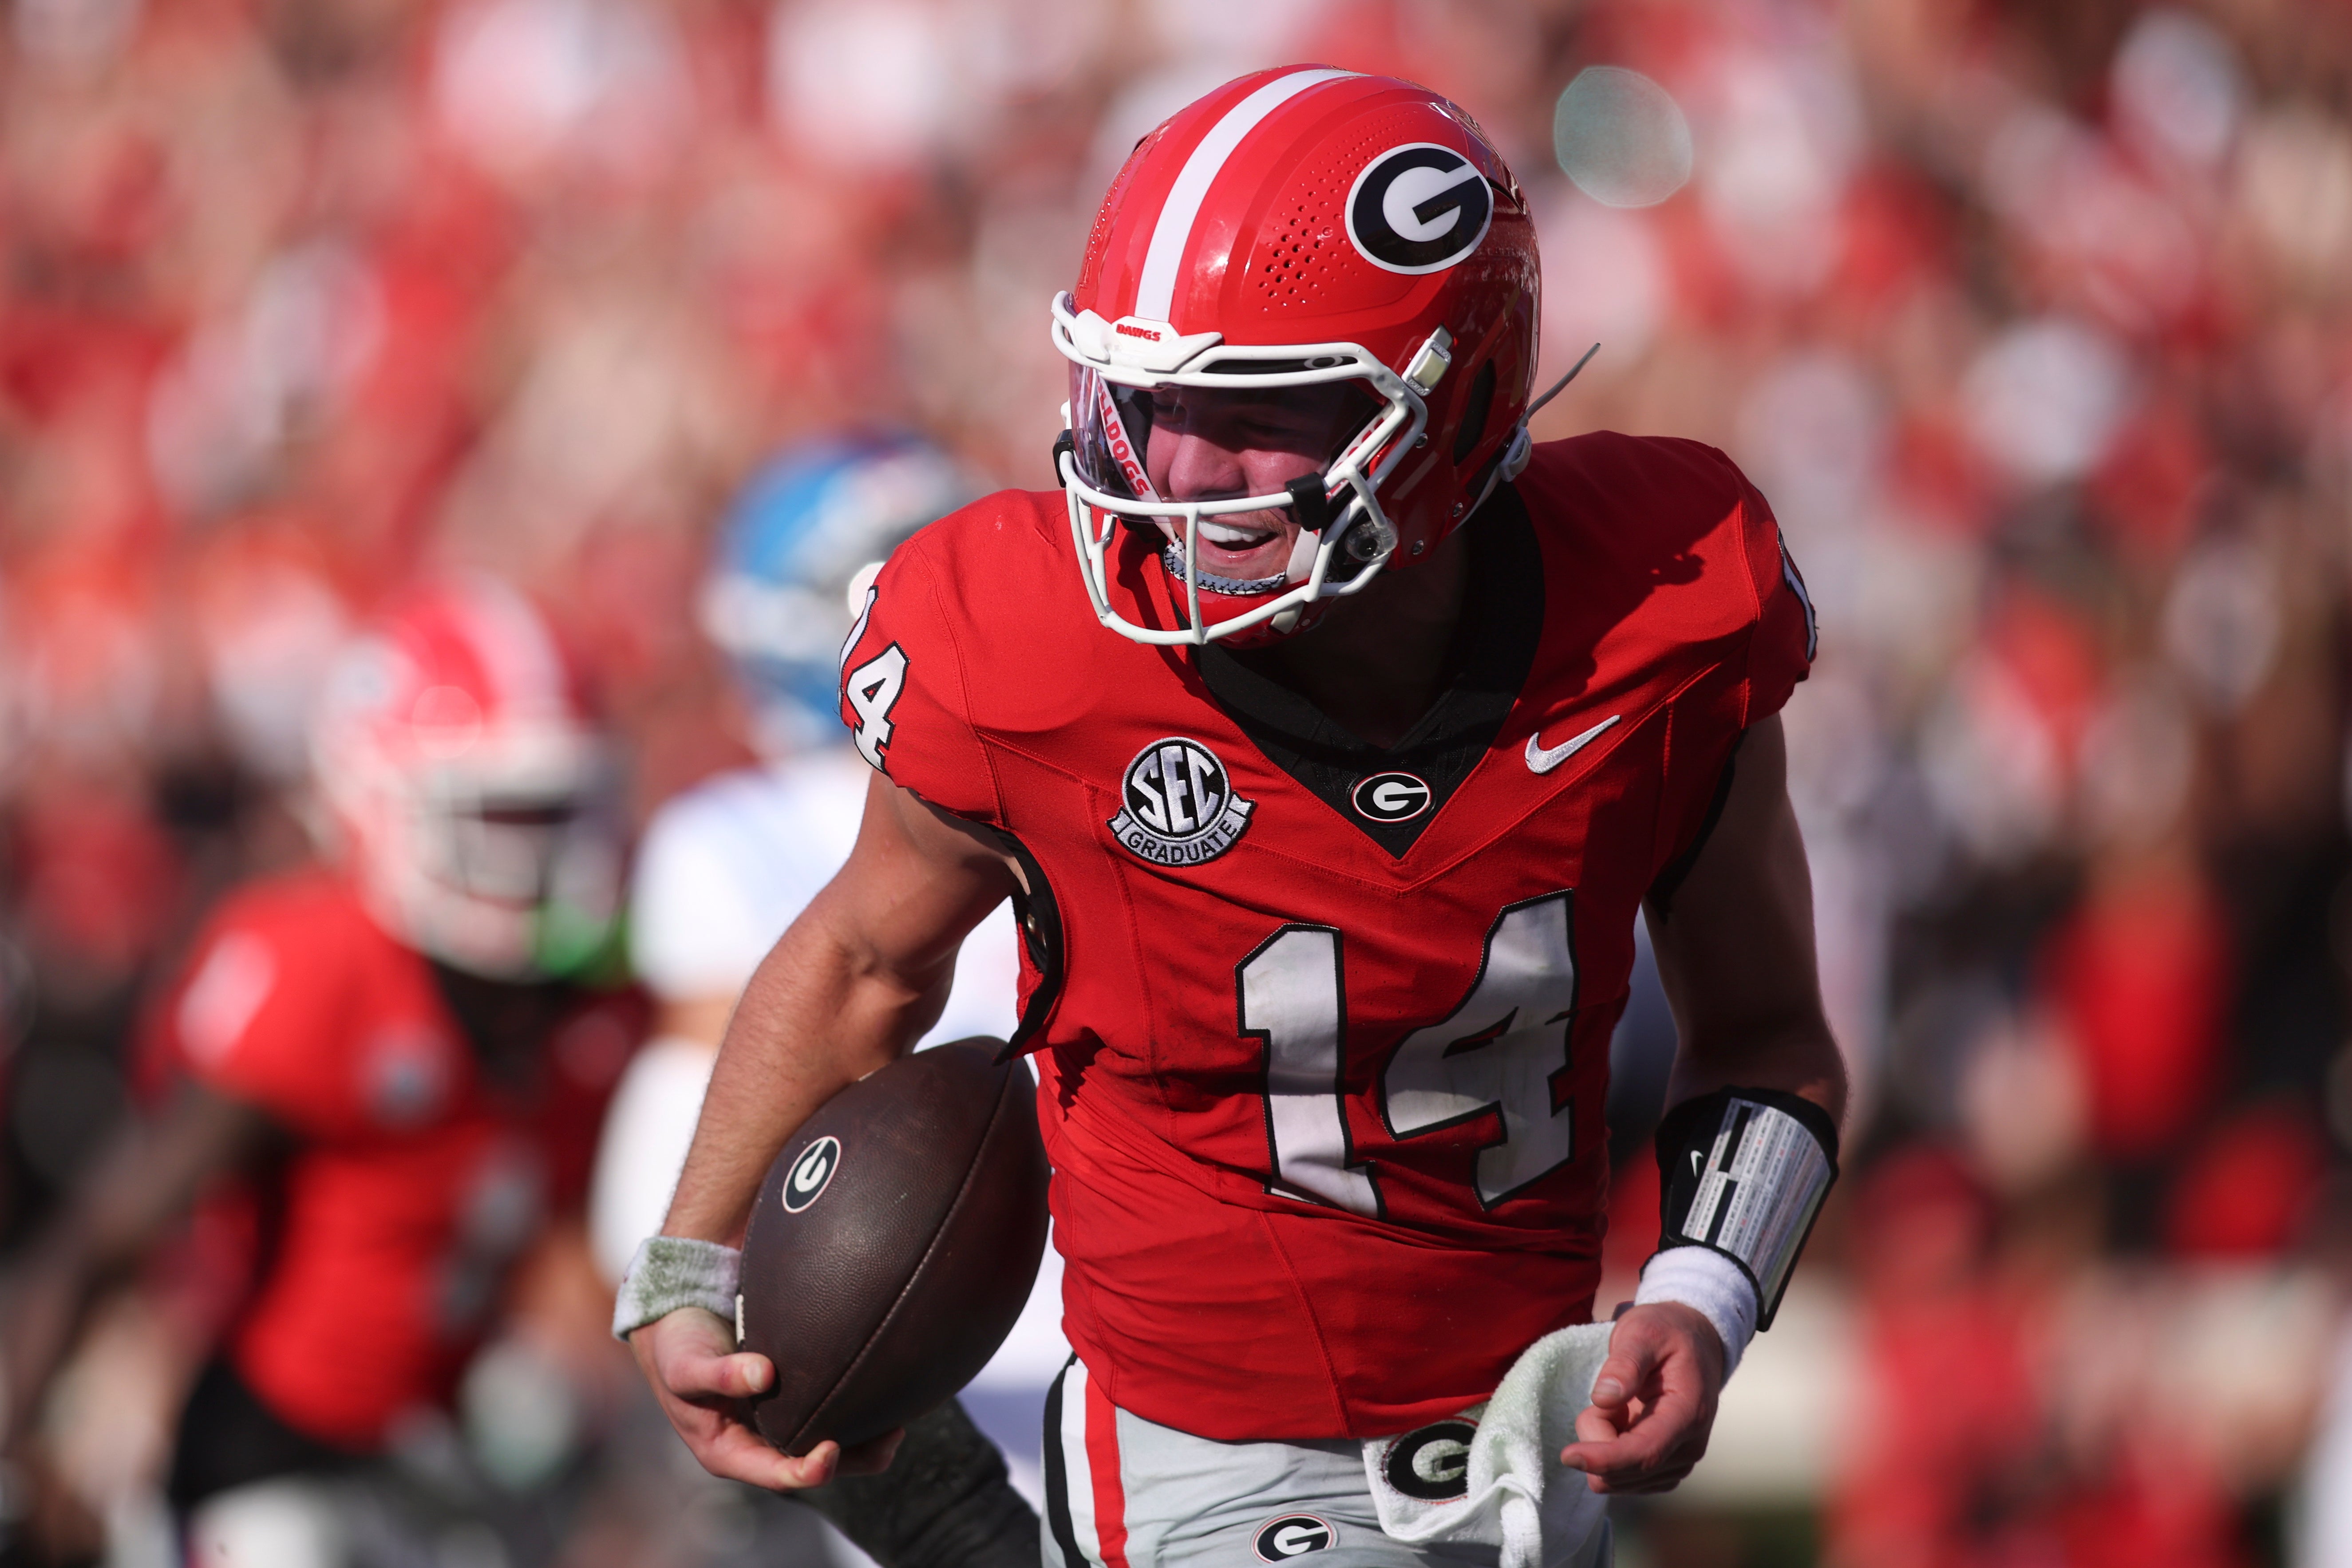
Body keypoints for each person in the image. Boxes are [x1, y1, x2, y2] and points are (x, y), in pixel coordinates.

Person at [620, 68, 1847, 1568]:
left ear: (1458, 400)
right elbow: (866, 960)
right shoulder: (1025, 644)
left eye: (1262, 409)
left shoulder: (1665, 608)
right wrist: (687, 1259)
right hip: (1192, 1455)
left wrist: (1708, 1291)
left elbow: (1768, 1037)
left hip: (1529, 1439)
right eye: (1151, 402)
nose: (1182, 473)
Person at [0, 577, 640, 1566]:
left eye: (559, 812)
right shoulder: (322, 970)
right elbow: (112, 1231)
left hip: (450, 1452)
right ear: (382, 797)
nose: (546, 858)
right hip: (267, 1457)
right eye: (504, 815)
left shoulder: (602, 997)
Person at [588, 431, 1041, 1568]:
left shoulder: (725, 835)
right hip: (1123, 1353)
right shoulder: (1062, 769)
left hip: (904, 1379)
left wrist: (683, 1284)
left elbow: (656, 1170)